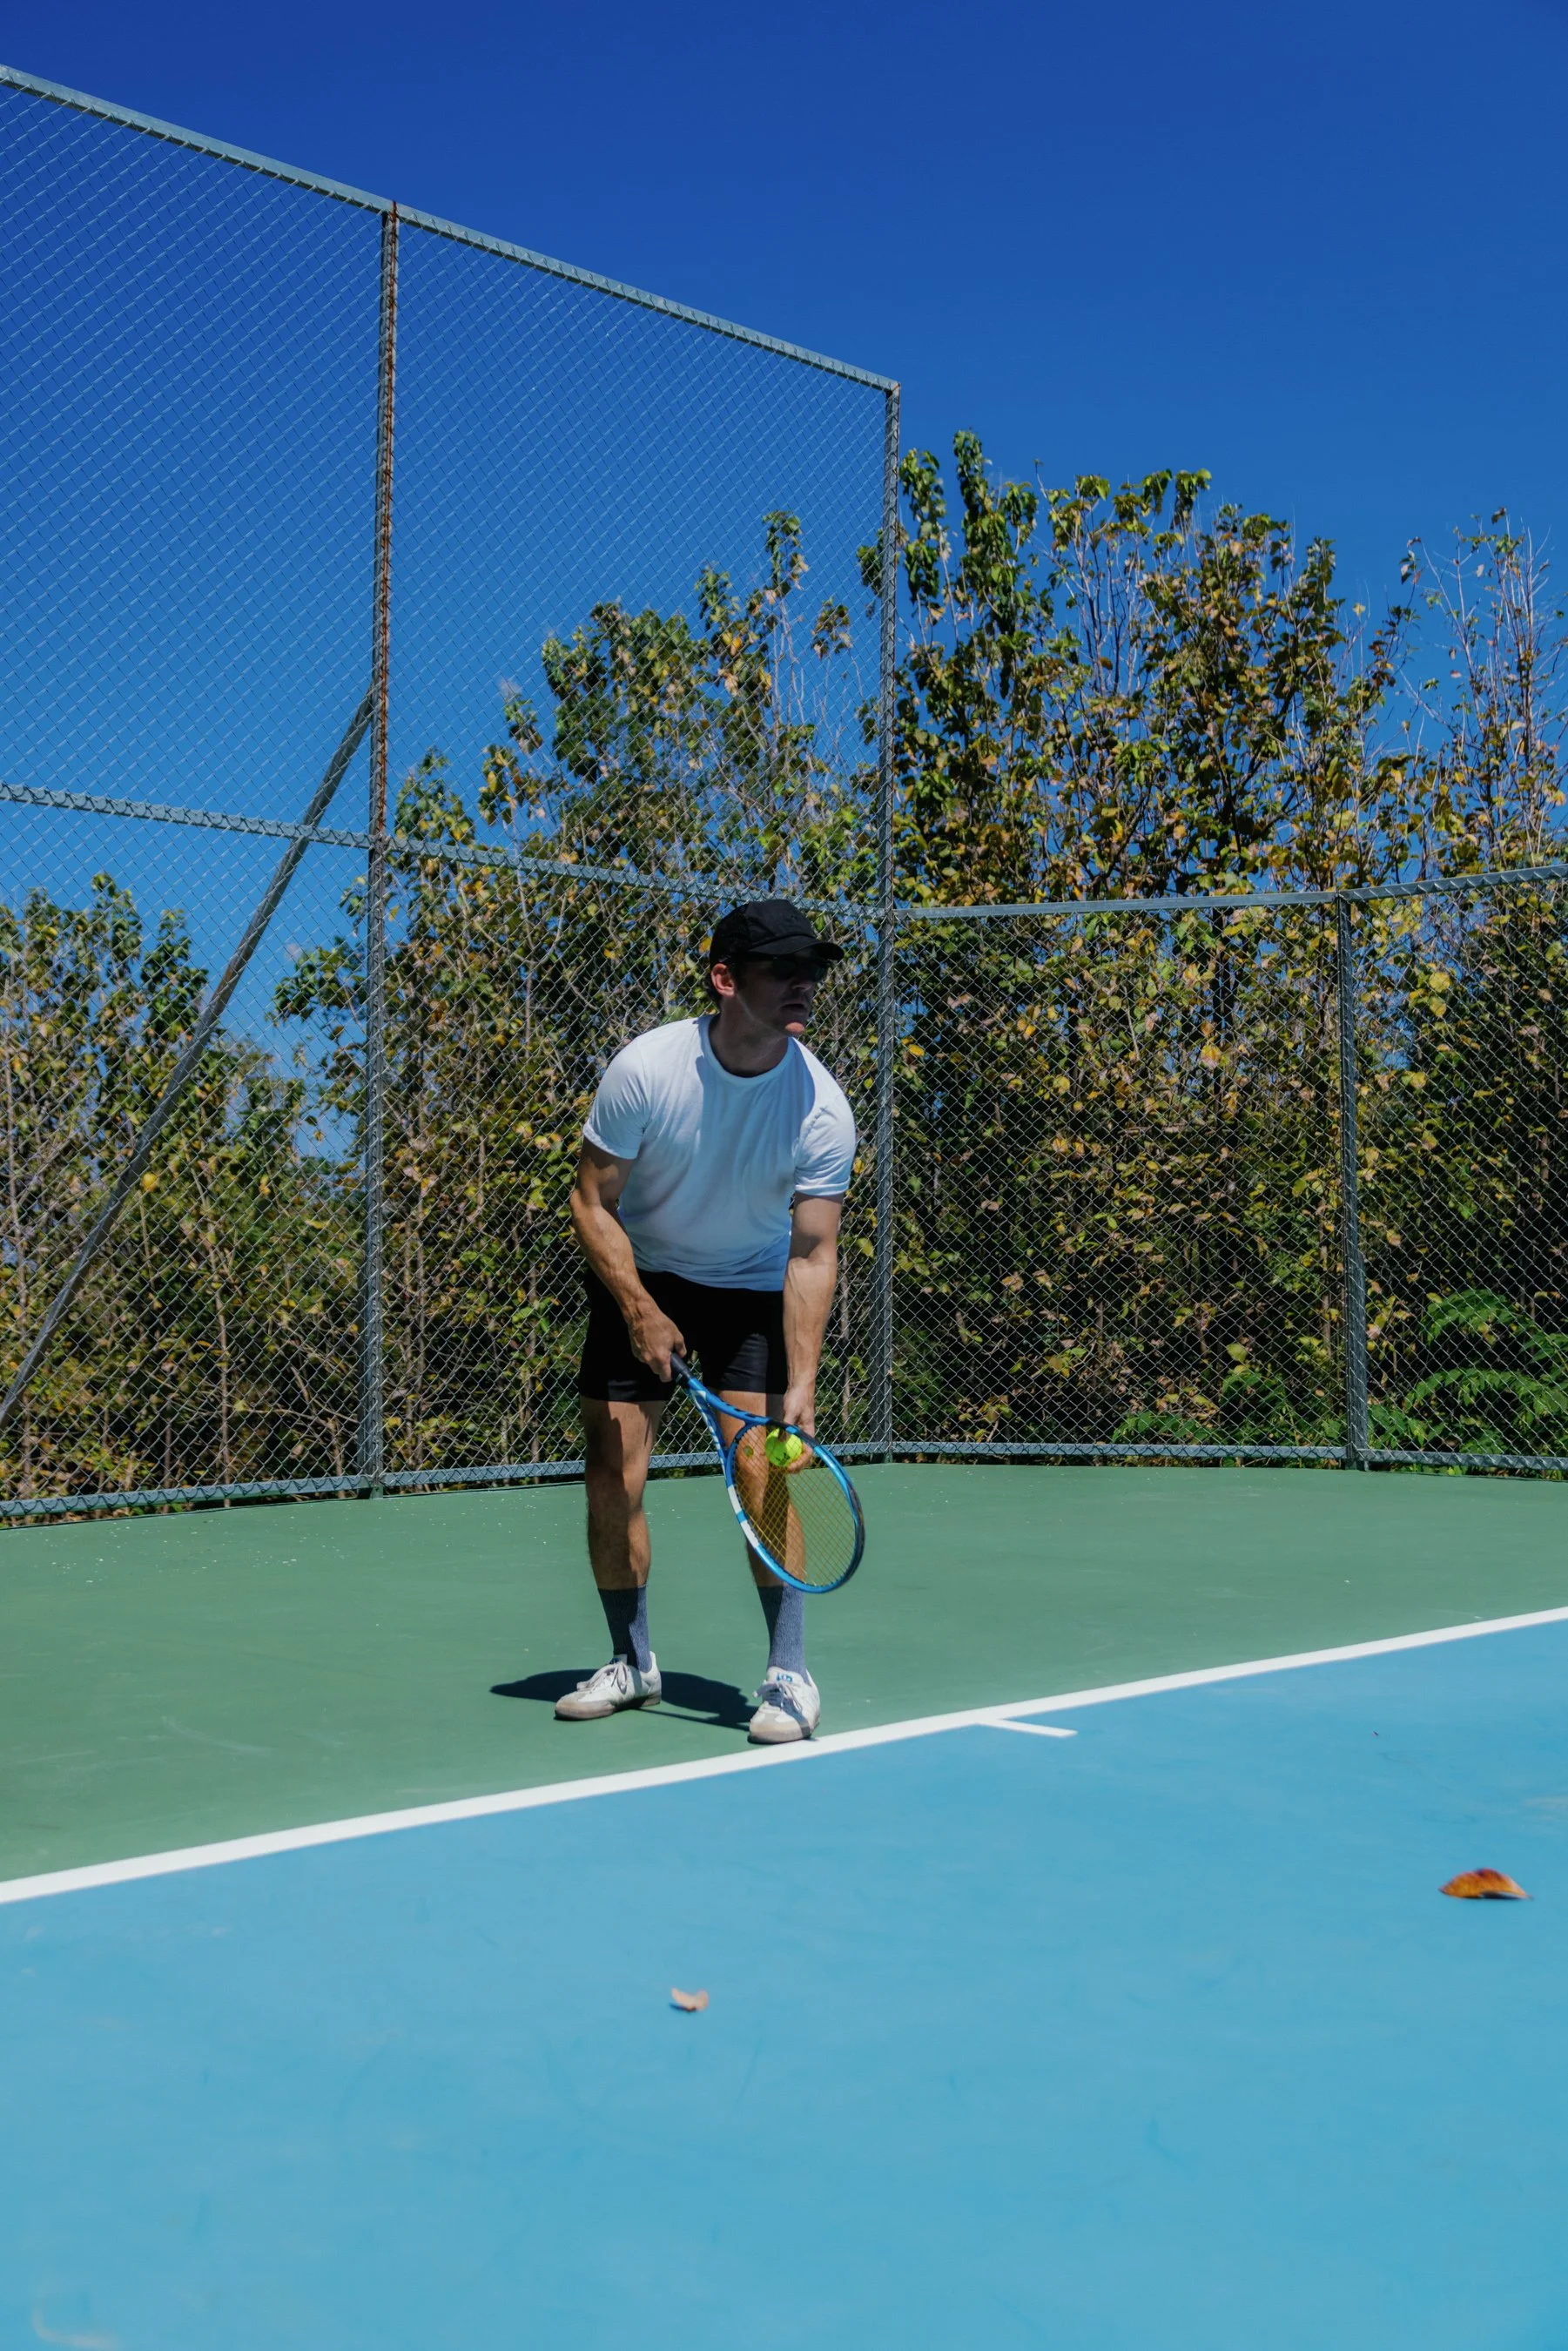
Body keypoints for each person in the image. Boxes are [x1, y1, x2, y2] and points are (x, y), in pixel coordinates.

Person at [557, 899, 856, 1743]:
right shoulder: (647, 1070)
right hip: (642, 1275)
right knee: (612, 1472)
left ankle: (789, 1675)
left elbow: (811, 1253)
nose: (804, 985)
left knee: (763, 1469)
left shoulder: (820, 1109)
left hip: (752, 1289)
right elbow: (590, 1201)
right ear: (725, 980)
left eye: (813, 971)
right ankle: (632, 1660)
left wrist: (801, 1383)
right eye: (782, 970)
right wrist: (641, 1309)